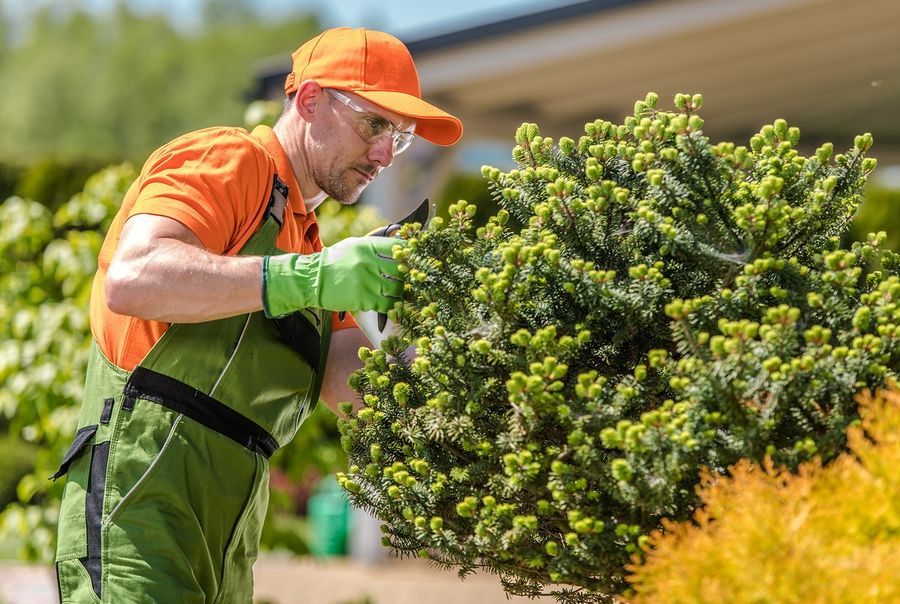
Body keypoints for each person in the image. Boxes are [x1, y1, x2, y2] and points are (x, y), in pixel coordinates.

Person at [51, 27, 463, 603]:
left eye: (400, 139)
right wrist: (310, 279)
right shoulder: (229, 160)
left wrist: (470, 349)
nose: (383, 155)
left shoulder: (312, 250)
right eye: (374, 125)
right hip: (138, 512)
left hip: (230, 543)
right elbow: (134, 276)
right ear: (312, 98)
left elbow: (361, 391)